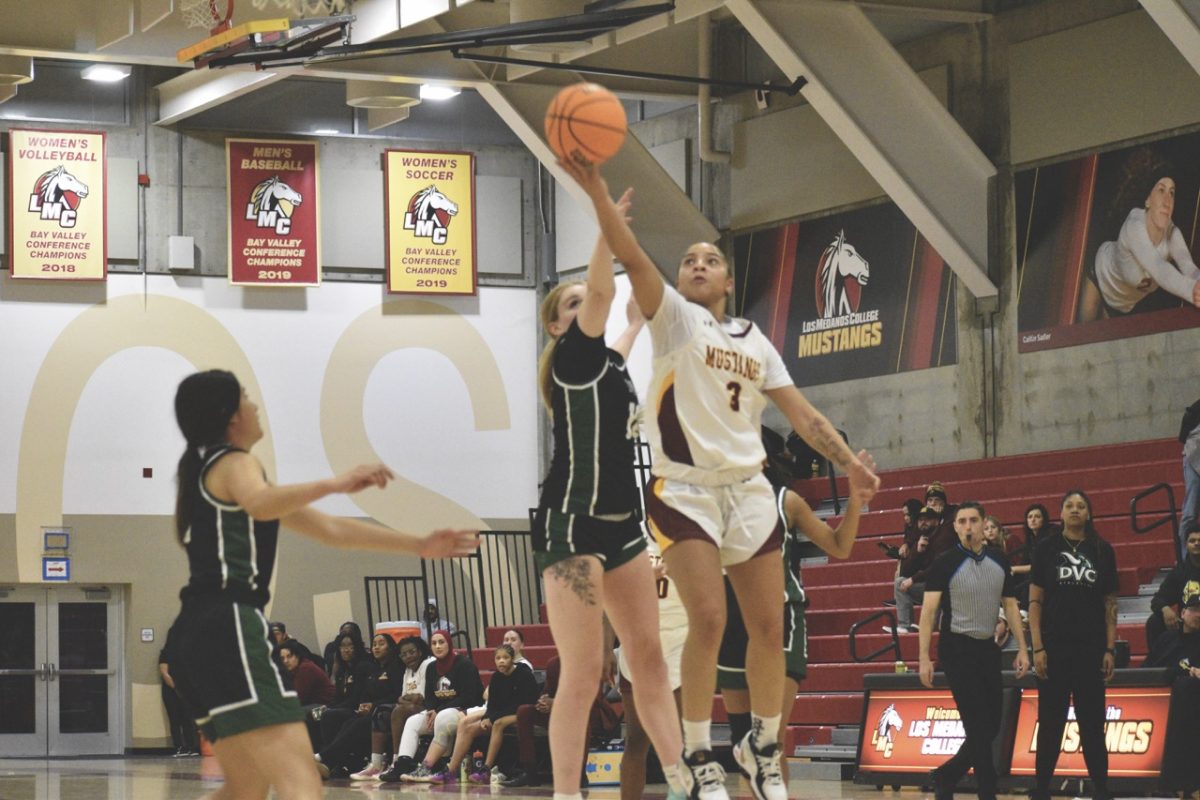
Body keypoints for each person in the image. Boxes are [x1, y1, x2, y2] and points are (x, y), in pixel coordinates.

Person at [563, 157, 880, 800]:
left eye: (709, 260)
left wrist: (850, 466)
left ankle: (761, 745)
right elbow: (633, 256)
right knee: (708, 618)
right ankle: (701, 754)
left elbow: (803, 414)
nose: (698, 266)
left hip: (748, 488)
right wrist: (596, 195)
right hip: (683, 488)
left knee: (766, 629)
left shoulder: (757, 340)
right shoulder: (674, 317)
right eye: (689, 262)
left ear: (730, 281)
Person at [166, 369, 478, 800]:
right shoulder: (234, 463)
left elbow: (334, 531)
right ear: (228, 416)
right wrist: (337, 482)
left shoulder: (219, 476)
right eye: (245, 398)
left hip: (194, 638)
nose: (255, 405)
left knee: (247, 786)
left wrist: (418, 543)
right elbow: (260, 501)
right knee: (302, 780)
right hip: (229, 627)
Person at [529, 178, 693, 800]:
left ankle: (683, 781)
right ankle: (567, 795)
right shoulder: (572, 358)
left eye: (584, 305)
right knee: (583, 673)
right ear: (555, 326)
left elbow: (619, 337)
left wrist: (631, 323)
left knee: (648, 657)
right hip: (572, 522)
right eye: (570, 307)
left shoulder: (608, 363)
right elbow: (601, 288)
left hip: (625, 523)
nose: (584, 310)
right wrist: (605, 223)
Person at [719, 467, 872, 786]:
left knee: (767, 743)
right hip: (730, 620)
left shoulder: (784, 501)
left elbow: (840, 546)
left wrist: (855, 501)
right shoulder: (708, 504)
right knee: (743, 744)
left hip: (779, 614)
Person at [919, 501, 1029, 800]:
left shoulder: (999, 560)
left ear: (984, 524)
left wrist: (1022, 647)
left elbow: (1010, 604)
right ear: (955, 527)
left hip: (987, 648)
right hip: (956, 649)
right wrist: (924, 657)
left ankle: (947, 774)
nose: (968, 526)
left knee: (991, 726)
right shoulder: (944, 562)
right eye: (962, 521)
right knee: (978, 725)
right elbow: (928, 612)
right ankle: (987, 792)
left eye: (973, 520)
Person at [1027, 490, 1118, 800]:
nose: (1075, 510)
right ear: (1061, 513)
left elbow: (1110, 603)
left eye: (1081, 506)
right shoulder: (1046, 549)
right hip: (1053, 650)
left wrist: (1109, 648)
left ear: (1089, 514)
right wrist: (1037, 647)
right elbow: (1035, 601)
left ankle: (1102, 790)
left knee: (1092, 724)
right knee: (1050, 723)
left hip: (1091, 650)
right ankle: (1040, 790)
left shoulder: (1103, 550)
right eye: (1069, 505)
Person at [1078, 154, 1200, 322]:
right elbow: (1159, 268)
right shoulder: (1134, 225)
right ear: (1148, 200)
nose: (1167, 201)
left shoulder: (1172, 234)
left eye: (1172, 193)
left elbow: (1189, 267)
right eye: (1161, 190)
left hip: (1121, 306)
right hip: (1099, 277)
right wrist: (1191, 290)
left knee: (1098, 346)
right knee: (1082, 334)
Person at [619, 540, 688, 800]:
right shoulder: (631, 539)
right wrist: (604, 648)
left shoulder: (690, 537)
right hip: (636, 647)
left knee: (680, 739)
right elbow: (610, 595)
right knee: (636, 740)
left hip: (679, 646)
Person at [386, 630, 484, 783]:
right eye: (434, 643)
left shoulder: (465, 665)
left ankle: (429, 767)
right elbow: (429, 696)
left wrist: (438, 711)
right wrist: (432, 709)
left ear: (449, 644)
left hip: (464, 710)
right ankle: (402, 764)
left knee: (443, 718)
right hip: (438, 711)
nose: (438, 646)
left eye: (441, 642)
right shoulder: (432, 667)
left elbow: (469, 697)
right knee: (413, 721)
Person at [314, 633, 404, 779]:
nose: (376, 647)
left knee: (355, 723)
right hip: (370, 711)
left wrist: (373, 705)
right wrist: (364, 706)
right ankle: (337, 763)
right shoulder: (375, 669)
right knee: (343, 720)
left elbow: (397, 694)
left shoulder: (395, 667)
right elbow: (365, 696)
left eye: (381, 644)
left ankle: (324, 758)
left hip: (386, 712)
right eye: (374, 644)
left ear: (391, 647)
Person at [446, 644, 539, 784]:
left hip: (524, 712)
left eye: (505, 657)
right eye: (498, 658)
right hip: (502, 713)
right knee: (471, 728)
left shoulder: (523, 674)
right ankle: (451, 771)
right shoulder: (496, 677)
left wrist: (493, 717)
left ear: (512, 659)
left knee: (498, 724)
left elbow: (524, 702)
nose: (501, 661)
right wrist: (486, 717)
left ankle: (486, 769)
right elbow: (493, 703)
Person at [1143, 589, 1200, 799]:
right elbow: (1145, 672)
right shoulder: (1166, 639)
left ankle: (1187, 783)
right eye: (1194, 610)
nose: (1199, 615)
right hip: (1157, 706)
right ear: (1183, 613)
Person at [354, 635, 434, 780]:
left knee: (398, 711)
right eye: (404, 654)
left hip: (429, 707)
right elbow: (402, 697)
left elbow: (421, 698)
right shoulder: (408, 670)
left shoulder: (428, 664)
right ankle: (376, 764)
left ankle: (396, 762)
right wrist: (410, 698)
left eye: (411, 652)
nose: (408, 657)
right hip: (412, 707)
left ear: (420, 652)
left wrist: (409, 699)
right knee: (381, 712)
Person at [1147, 525, 1200, 659]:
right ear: (1186, 545)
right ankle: (1158, 666)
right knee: (1155, 622)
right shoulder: (1179, 572)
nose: (1197, 543)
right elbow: (1157, 600)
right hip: (1189, 625)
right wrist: (1165, 609)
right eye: (1192, 541)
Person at [885, 505, 938, 634]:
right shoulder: (919, 540)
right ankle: (905, 625)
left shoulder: (941, 538)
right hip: (926, 586)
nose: (923, 522)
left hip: (941, 586)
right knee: (900, 582)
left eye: (927, 519)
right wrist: (918, 551)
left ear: (935, 521)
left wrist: (914, 579)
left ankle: (930, 626)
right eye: (920, 520)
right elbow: (907, 570)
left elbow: (937, 569)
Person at [159, 620, 199, 757]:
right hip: (171, 691)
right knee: (174, 720)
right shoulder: (166, 653)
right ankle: (179, 747)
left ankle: (191, 747)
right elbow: (164, 672)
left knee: (188, 719)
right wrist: (177, 687)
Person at [279, 644, 335, 708]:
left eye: (289, 656)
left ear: (297, 656)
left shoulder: (305, 668)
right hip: (316, 704)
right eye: (282, 658)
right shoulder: (293, 671)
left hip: (328, 705)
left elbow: (298, 699)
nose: (285, 661)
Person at [1180, 398, 1200, 563]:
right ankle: (1184, 559)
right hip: (1194, 456)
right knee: (1190, 511)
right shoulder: (1196, 410)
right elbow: (1183, 436)